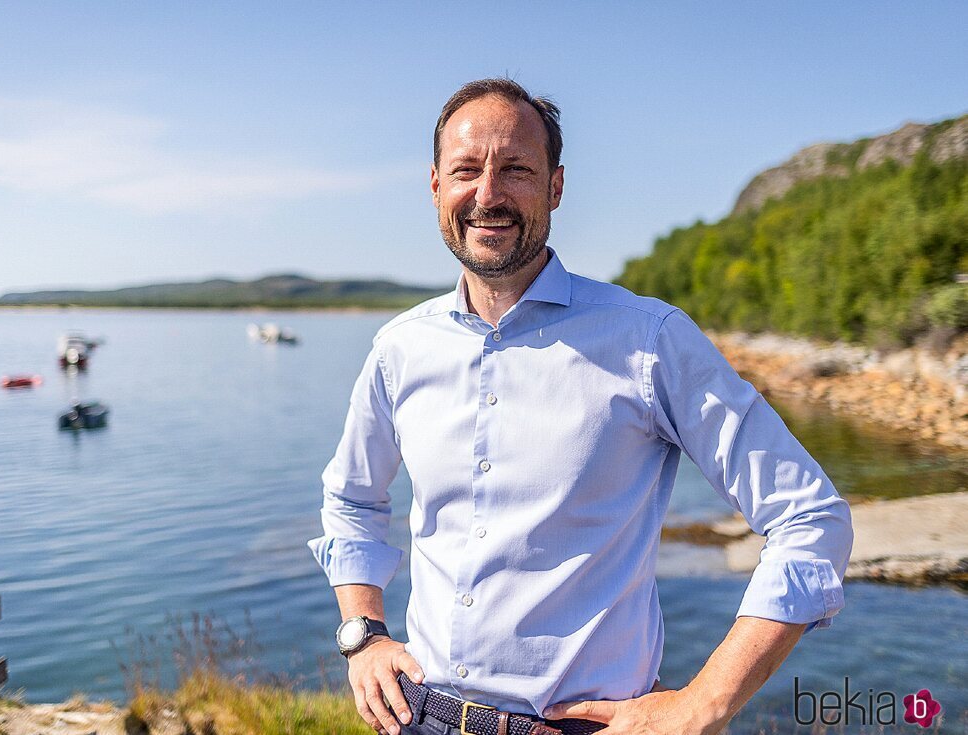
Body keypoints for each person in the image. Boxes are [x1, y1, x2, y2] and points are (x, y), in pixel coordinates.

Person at [309, 78, 853, 735]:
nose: (487, 195)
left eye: (515, 169)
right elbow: (352, 499)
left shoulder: (647, 340)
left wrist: (704, 702)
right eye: (465, 171)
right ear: (434, 186)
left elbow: (811, 518)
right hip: (418, 716)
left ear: (556, 188)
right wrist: (363, 631)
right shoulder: (399, 349)